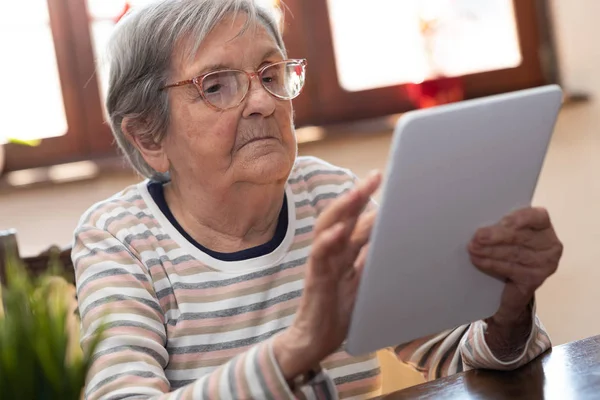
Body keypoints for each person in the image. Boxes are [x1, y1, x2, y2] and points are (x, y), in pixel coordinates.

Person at [72, 1, 563, 399]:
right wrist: (299, 347)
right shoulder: (119, 239)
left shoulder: (329, 197)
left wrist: (508, 311)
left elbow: (455, 352)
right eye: (215, 85)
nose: (263, 101)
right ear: (148, 136)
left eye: (270, 74)